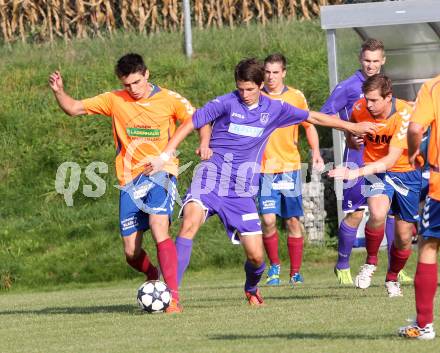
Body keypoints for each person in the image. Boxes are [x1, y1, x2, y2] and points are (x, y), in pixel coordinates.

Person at [146, 58, 376, 306]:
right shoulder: (226, 102)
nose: (244, 94)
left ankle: (251, 287)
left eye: (250, 89)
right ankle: (172, 297)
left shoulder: (274, 109)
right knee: (189, 224)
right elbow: (192, 122)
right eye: (240, 88)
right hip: (210, 178)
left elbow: (314, 118)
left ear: (260, 85)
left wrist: (350, 126)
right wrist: (164, 156)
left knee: (256, 258)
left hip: (241, 191)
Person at [48, 53, 211, 314]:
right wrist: (59, 92)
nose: (132, 89)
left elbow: (200, 119)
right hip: (130, 182)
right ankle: (154, 274)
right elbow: (74, 108)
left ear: (146, 74)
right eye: (127, 85)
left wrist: (204, 143)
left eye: (136, 82)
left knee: (160, 227)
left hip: (161, 174)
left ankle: (173, 298)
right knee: (131, 253)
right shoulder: (114, 100)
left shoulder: (169, 99)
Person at [321, 38, 411, 285]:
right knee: (356, 214)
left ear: (383, 61)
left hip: (386, 160)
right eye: (366, 60)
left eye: (375, 61)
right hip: (357, 159)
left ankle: (396, 267)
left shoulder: (384, 87)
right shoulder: (347, 87)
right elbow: (325, 115)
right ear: (360, 59)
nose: (371, 65)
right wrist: (350, 132)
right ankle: (342, 265)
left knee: (390, 213)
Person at [329, 74, 420, 298]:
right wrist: (354, 139)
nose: (368, 105)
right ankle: (370, 263)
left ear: (388, 97)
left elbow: (390, 160)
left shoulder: (404, 114)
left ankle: (392, 278)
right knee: (377, 214)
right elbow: (352, 137)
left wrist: (353, 172)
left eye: (373, 100)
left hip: (405, 173)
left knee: (404, 237)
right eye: (366, 99)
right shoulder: (360, 108)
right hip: (375, 171)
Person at [258, 53, 324, 286]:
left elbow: (309, 125)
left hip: (289, 168)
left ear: (283, 73)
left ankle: (295, 272)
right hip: (264, 170)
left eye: (275, 72)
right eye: (267, 72)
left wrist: (315, 152)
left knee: (292, 222)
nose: (271, 77)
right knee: (267, 221)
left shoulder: (295, 97)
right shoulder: (255, 96)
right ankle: (274, 267)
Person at [398, 74, 440, 340]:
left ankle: (424, 325)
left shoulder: (434, 87)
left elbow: (415, 129)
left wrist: (414, 152)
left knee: (428, 245)